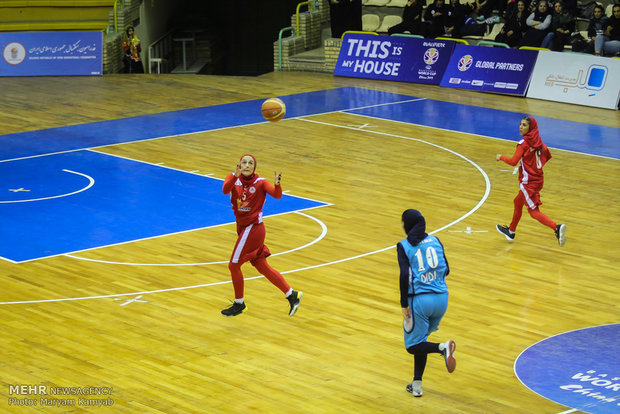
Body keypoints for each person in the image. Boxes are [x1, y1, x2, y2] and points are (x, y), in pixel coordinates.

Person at [221, 154, 302, 317]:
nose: (247, 165)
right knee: (261, 265)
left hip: (254, 228)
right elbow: (225, 190)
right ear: (239, 165)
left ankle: (239, 303)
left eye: (250, 163)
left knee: (233, 265)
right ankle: (291, 294)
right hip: (242, 227)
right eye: (244, 162)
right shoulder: (232, 178)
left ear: (254, 167)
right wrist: (234, 176)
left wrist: (277, 185)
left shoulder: (260, 183)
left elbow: (277, 195)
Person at [398, 209, 456, 398]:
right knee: (421, 340)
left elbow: (404, 276)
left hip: (420, 302)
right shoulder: (436, 240)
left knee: (412, 346)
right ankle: (417, 384)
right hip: (442, 299)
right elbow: (446, 269)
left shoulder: (404, 246)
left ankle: (442, 347)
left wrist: (404, 304)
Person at [495, 116, 567, 246]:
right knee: (517, 202)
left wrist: (501, 157)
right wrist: (533, 166)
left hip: (528, 182)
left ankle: (556, 227)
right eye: (521, 124)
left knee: (534, 212)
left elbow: (513, 162)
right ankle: (511, 231)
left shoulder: (524, 144)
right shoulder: (538, 142)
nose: (521, 127)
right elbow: (547, 154)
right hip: (539, 179)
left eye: (524, 125)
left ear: (530, 128)